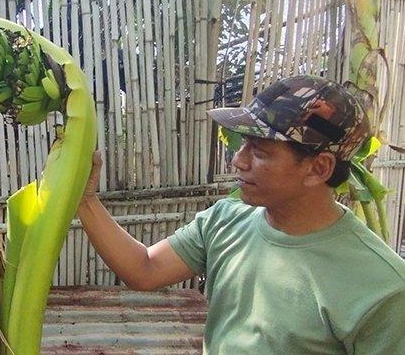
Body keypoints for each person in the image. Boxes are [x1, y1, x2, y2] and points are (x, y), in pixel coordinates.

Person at [77, 75, 405, 354]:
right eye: (243, 145)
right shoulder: (225, 221)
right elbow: (144, 269)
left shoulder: (382, 289)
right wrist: (85, 200)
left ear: (318, 168)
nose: (239, 161)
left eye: (260, 152)